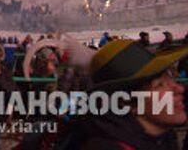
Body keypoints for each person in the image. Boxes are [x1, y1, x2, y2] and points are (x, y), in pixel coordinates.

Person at [56, 38, 188, 149]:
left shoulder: (163, 138)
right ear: (128, 103)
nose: (179, 89)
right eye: (159, 85)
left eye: (171, 78)